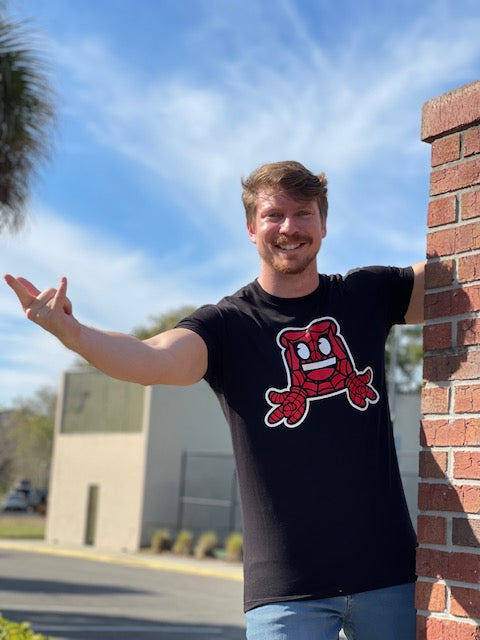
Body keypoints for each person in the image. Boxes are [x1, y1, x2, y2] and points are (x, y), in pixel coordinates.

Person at [4, 160, 425, 640]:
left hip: (391, 577)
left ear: (324, 224)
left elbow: (457, 276)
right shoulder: (227, 326)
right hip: (288, 592)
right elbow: (151, 359)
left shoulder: (366, 295)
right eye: (273, 215)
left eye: (304, 213)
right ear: (251, 228)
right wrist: (75, 334)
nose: (289, 227)